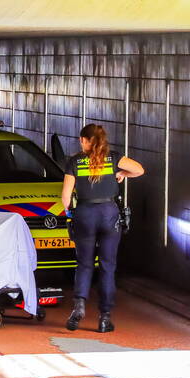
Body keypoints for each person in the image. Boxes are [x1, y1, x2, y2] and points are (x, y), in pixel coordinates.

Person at [61, 124, 145, 333]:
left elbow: (66, 198)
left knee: (84, 264)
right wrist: (123, 173)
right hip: (109, 214)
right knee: (107, 266)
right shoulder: (113, 158)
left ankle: (79, 307)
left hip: (84, 214)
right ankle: (105, 318)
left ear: (84, 140)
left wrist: (70, 215)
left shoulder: (75, 161)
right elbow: (139, 169)